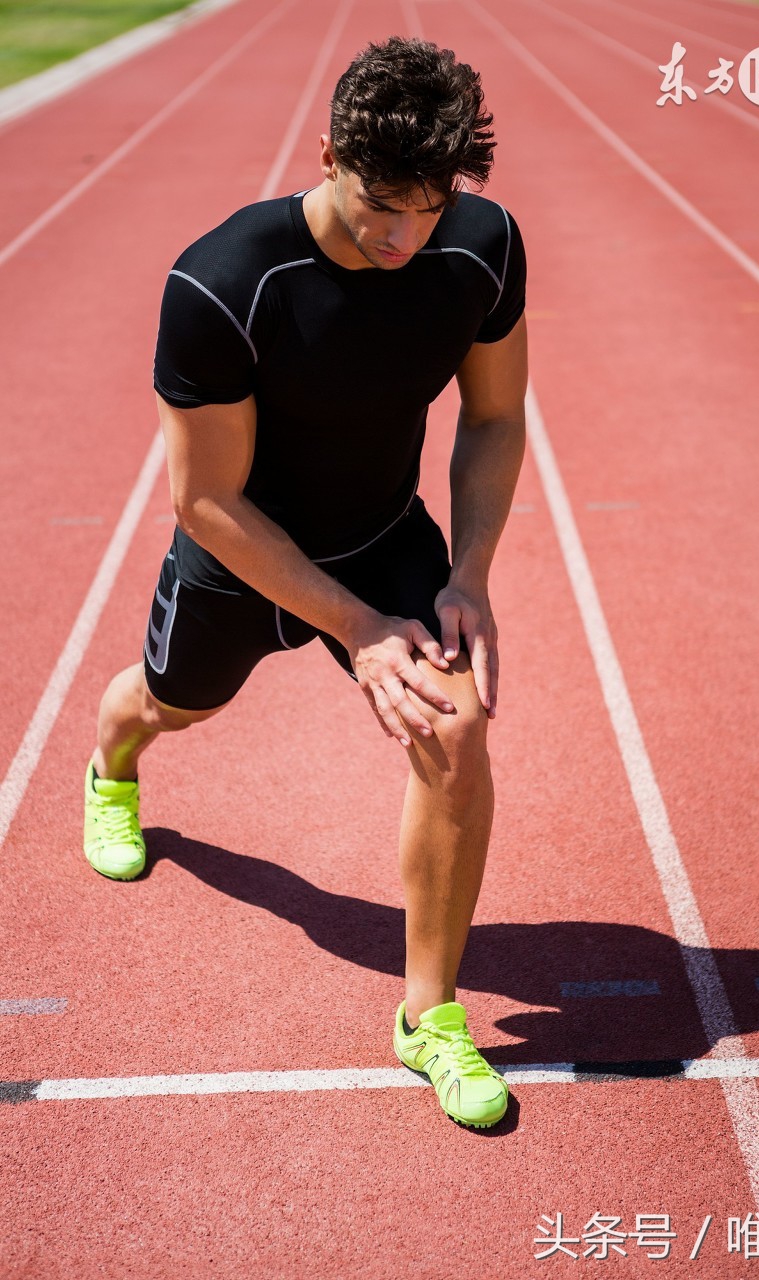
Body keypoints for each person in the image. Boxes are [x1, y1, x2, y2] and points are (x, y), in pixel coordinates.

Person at [83, 36, 527, 1129]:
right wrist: (361, 628)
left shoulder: (482, 249)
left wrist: (468, 573)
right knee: (170, 705)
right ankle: (111, 765)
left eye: (426, 209)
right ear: (327, 155)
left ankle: (428, 1015)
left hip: (383, 533)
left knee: (456, 726)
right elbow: (206, 501)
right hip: (243, 553)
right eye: (380, 205)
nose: (402, 237)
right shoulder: (223, 281)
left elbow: (494, 414)